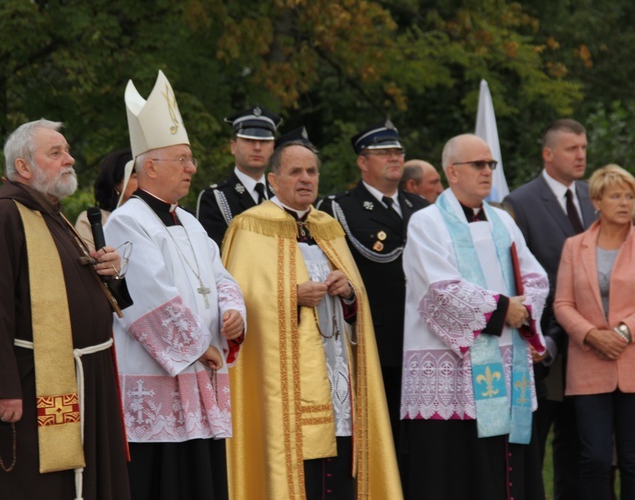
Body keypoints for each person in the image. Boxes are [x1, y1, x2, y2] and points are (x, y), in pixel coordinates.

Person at [0, 119, 130, 500]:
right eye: (56, 153)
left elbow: (81, 295)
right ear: (23, 167)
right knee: (38, 487)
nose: (69, 159)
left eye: (67, 151)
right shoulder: (3, 216)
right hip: (31, 384)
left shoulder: (51, 214)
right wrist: (1, 388)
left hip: (84, 378)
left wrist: (110, 274)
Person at [222, 140, 402, 499]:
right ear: (273, 180)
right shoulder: (251, 227)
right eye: (295, 172)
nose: (305, 179)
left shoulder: (328, 227)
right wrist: (291, 297)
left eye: (311, 171)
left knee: (341, 462)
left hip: (336, 369)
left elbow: (358, 302)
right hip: (283, 381)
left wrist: (348, 292)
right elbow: (238, 302)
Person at [104, 71, 246, 500]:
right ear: (150, 166)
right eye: (182, 159)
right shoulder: (127, 220)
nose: (192, 168)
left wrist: (231, 313)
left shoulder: (189, 220)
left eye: (191, 159)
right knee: (163, 480)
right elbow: (144, 295)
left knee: (200, 476)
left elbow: (221, 276)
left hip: (202, 369)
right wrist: (197, 345)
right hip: (159, 374)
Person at [400, 133, 549, 499]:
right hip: (453, 371)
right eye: (478, 164)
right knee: (458, 468)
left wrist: (524, 309)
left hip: (507, 359)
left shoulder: (503, 222)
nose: (487, 171)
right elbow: (439, 290)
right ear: (452, 172)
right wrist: (504, 309)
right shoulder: (426, 223)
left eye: (491, 164)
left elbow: (536, 276)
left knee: (505, 466)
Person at [318, 120, 428, 452]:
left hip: (422, 337)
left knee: (419, 438)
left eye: (397, 151)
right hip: (376, 336)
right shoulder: (339, 208)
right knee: (381, 436)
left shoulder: (421, 208)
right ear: (363, 162)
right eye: (383, 153)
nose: (394, 158)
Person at [504, 118, 595, 500]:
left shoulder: (596, 196)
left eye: (584, 148)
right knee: (537, 440)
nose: (581, 155)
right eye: (572, 148)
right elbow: (515, 274)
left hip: (593, 340)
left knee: (584, 443)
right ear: (548, 153)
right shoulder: (519, 203)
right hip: (544, 344)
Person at [554, 164, 635, 499]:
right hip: (588, 364)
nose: (625, 202)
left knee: (632, 460)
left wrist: (624, 333)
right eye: (616, 195)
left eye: (630, 195)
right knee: (595, 458)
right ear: (597, 202)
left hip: (631, 362)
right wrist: (590, 334)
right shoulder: (575, 246)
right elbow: (562, 303)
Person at [196, 105, 282, 247]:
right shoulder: (215, 198)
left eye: (265, 141)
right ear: (233, 146)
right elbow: (212, 256)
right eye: (249, 140)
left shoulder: (280, 195)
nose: (257, 147)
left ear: (273, 147)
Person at [74, 147, 136, 251]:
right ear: (116, 184)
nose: (144, 183)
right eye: (136, 177)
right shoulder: (92, 221)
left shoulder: (156, 216)